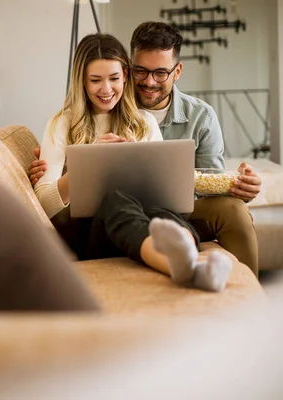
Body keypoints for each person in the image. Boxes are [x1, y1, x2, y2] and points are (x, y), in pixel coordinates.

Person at [29, 22, 262, 276]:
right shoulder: (61, 123)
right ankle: (186, 267)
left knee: (156, 207)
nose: (106, 89)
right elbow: (43, 203)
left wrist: (236, 185)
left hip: (148, 217)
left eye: (114, 78)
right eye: (95, 80)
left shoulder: (144, 121)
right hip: (92, 228)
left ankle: (191, 256)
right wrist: (88, 164)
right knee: (116, 198)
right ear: (82, 81)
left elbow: (170, 194)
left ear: (124, 75)